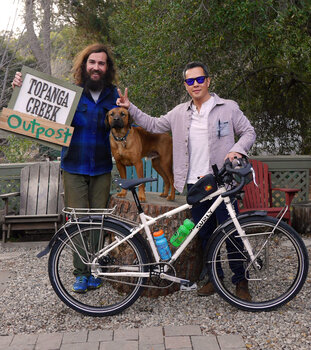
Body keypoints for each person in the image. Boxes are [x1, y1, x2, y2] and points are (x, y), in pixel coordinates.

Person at [116, 61, 256, 300]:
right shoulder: (180, 112)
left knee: (231, 233)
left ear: (208, 81)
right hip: (196, 184)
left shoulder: (228, 108)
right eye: (190, 81)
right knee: (206, 235)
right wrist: (131, 108)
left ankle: (240, 281)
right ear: (185, 85)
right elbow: (152, 123)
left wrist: (237, 150)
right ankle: (215, 278)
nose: (195, 84)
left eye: (199, 79)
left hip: (222, 181)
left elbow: (249, 132)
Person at [12, 43, 119, 293]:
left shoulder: (114, 95)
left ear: (107, 67)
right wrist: (21, 87)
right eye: (92, 62)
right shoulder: (68, 94)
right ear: (84, 65)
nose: (96, 67)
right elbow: (34, 107)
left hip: (102, 167)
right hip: (73, 166)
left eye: (101, 63)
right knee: (80, 222)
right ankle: (81, 273)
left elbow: (127, 127)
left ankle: (96, 270)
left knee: (99, 222)